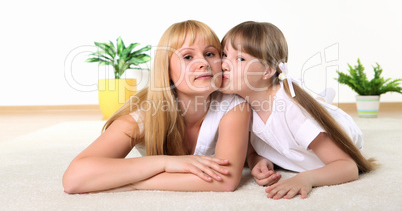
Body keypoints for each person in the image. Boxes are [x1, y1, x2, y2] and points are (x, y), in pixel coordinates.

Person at [63, 20, 250, 194]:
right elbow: (73, 179)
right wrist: (165, 163)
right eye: (187, 56)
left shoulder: (235, 106)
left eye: (210, 54)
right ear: (167, 70)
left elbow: (225, 181)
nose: (202, 63)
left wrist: (134, 182)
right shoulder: (143, 113)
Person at [220, 21, 377, 199]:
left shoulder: (293, 112)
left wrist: (306, 179)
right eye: (224, 54)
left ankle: (323, 100)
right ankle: (321, 98)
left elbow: (348, 167)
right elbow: (253, 150)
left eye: (240, 59)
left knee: (315, 110)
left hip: (337, 125)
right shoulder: (240, 106)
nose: (224, 64)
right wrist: (259, 161)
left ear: (267, 71)